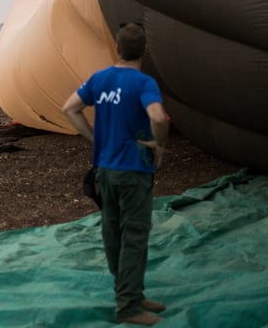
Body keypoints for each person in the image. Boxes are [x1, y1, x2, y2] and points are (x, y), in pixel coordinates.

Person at [62, 22, 169, 326]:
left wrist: (94, 137)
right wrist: (159, 145)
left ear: (118, 48)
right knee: (134, 236)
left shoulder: (100, 79)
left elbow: (69, 109)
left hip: (105, 171)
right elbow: (158, 117)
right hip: (133, 171)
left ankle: (130, 292)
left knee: (113, 233)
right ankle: (128, 306)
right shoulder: (143, 83)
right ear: (143, 52)